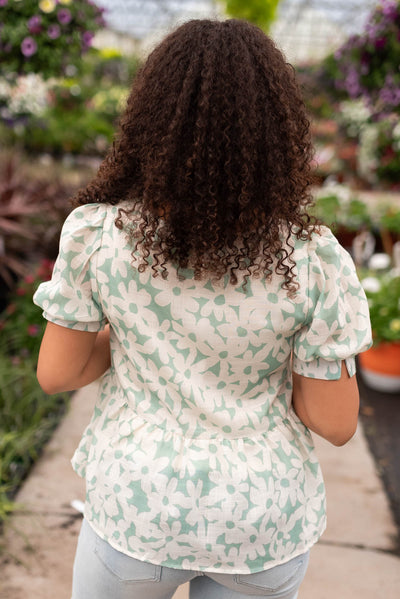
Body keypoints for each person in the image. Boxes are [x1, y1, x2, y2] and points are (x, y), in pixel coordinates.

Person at [33, 18, 372, 599]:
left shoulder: (98, 234)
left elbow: (57, 374)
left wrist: (136, 338)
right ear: (276, 132)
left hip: (137, 510)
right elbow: (336, 423)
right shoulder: (314, 260)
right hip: (260, 520)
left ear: (149, 121)